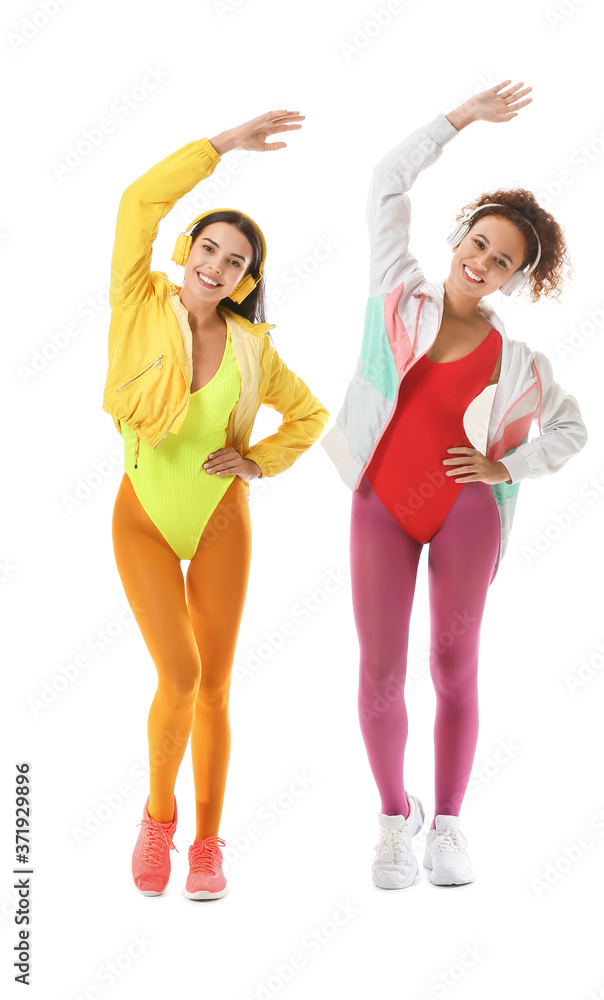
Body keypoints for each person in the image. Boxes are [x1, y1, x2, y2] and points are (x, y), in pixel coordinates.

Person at [321, 81, 588, 889]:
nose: (482, 262)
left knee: (453, 666)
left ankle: (451, 824)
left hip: (466, 512)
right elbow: (385, 183)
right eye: (478, 243)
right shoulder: (396, 292)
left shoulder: (520, 366)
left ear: (514, 278)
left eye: (501, 260)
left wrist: (508, 465)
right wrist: (460, 120)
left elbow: (573, 429)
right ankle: (394, 823)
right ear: (460, 237)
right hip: (381, 506)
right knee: (379, 669)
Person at [103, 110, 329, 901]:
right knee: (181, 669)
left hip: (222, 518)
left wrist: (258, 461)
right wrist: (223, 146)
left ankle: (206, 845)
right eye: (210, 249)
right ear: (188, 249)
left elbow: (310, 417)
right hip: (145, 517)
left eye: (236, 262)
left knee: (216, 686)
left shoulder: (253, 347)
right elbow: (137, 201)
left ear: (246, 279)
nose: (218, 266)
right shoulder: (139, 301)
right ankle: (156, 821)